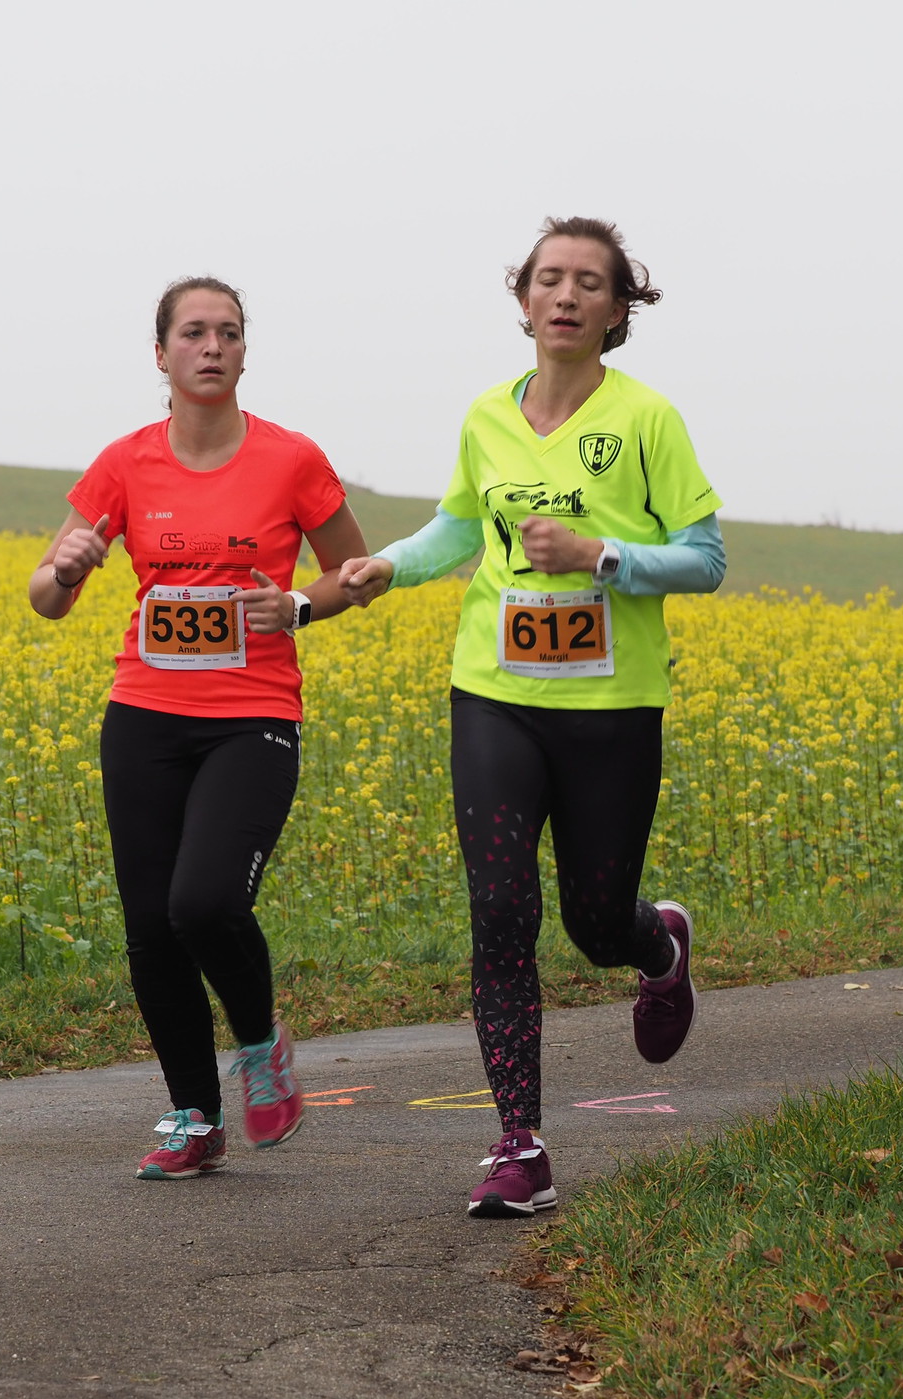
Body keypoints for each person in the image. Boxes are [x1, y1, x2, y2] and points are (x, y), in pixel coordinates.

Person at [338, 217, 725, 1218]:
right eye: (549, 278)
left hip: (612, 705)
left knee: (595, 923)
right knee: (502, 911)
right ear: (523, 299)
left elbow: (706, 559)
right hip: (495, 693)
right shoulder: (486, 415)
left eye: (589, 282)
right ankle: (520, 1146)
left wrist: (603, 555)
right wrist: (390, 565)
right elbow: (461, 527)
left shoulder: (647, 420)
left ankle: (657, 945)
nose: (566, 295)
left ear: (619, 308)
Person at [30, 276, 369, 1180]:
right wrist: (66, 568)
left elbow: (357, 572)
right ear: (161, 353)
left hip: (252, 717)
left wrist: (297, 606)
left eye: (228, 332)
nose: (211, 347)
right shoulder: (125, 463)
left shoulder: (292, 459)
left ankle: (260, 1046)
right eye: (192, 333)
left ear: (245, 352)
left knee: (205, 904)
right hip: (144, 716)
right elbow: (46, 598)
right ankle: (193, 1116)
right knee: (151, 927)